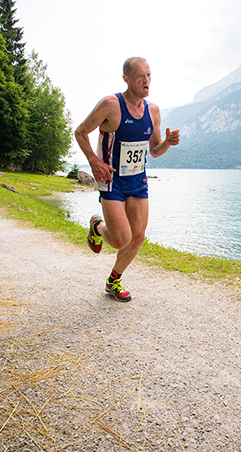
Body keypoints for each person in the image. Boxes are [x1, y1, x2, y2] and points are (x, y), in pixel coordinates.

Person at [74, 57, 180, 302]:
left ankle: (114, 280)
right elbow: (80, 131)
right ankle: (97, 227)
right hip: (111, 180)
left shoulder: (153, 111)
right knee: (121, 239)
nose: (147, 81)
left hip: (137, 180)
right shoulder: (111, 104)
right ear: (126, 79)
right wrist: (93, 160)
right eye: (141, 76)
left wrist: (167, 143)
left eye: (149, 75)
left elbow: (154, 149)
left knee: (138, 236)